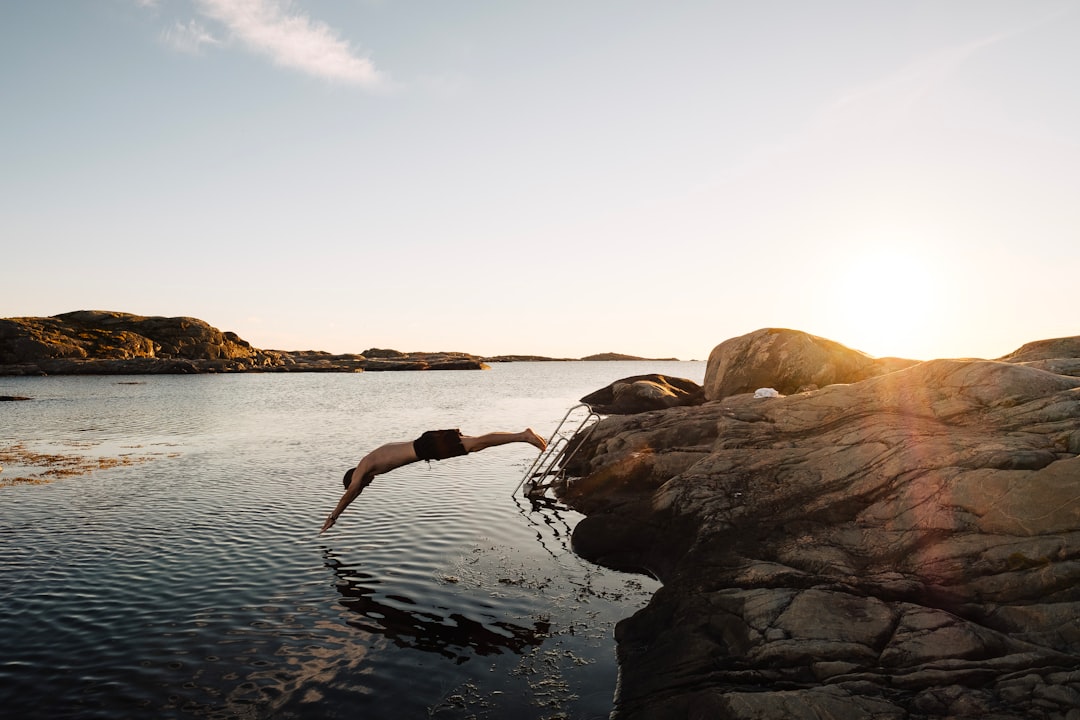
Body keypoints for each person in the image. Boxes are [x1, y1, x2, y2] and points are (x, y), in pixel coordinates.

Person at [320, 428, 547, 532]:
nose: (366, 485)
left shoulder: (363, 468)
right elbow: (356, 490)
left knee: (477, 444)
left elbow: (351, 492)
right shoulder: (369, 461)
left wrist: (333, 517)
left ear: (354, 478)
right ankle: (521, 436)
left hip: (427, 447)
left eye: (362, 484)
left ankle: (522, 436)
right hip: (427, 441)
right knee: (477, 443)